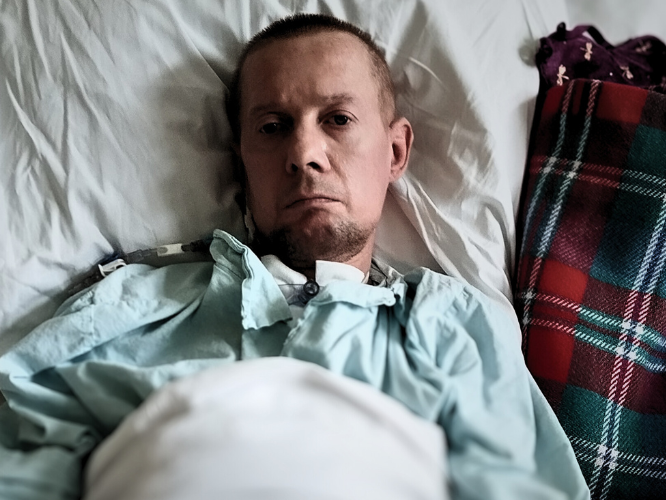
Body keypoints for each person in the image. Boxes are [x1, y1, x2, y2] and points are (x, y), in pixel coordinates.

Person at [0, 13, 590, 500]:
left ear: (395, 151)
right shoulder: (129, 309)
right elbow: (23, 456)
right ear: (241, 159)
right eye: (273, 126)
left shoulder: (452, 327)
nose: (304, 152)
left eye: (338, 120)